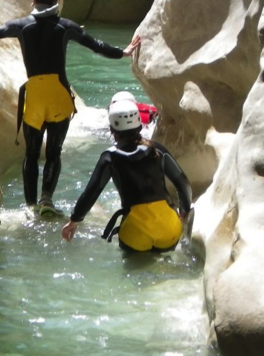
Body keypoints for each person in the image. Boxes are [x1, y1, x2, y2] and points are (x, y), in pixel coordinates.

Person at [0, 0, 141, 216]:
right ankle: (47, 199)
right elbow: (96, 45)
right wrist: (123, 52)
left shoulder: (20, 25)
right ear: (57, 0)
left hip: (35, 98)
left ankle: (30, 206)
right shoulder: (66, 26)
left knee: (30, 154)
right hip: (59, 97)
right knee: (54, 153)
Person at [61, 99, 192, 252]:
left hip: (135, 234)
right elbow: (183, 184)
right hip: (170, 230)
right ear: (139, 124)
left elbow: (91, 192)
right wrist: (184, 210)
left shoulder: (109, 157)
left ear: (111, 129)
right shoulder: (157, 149)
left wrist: (74, 221)